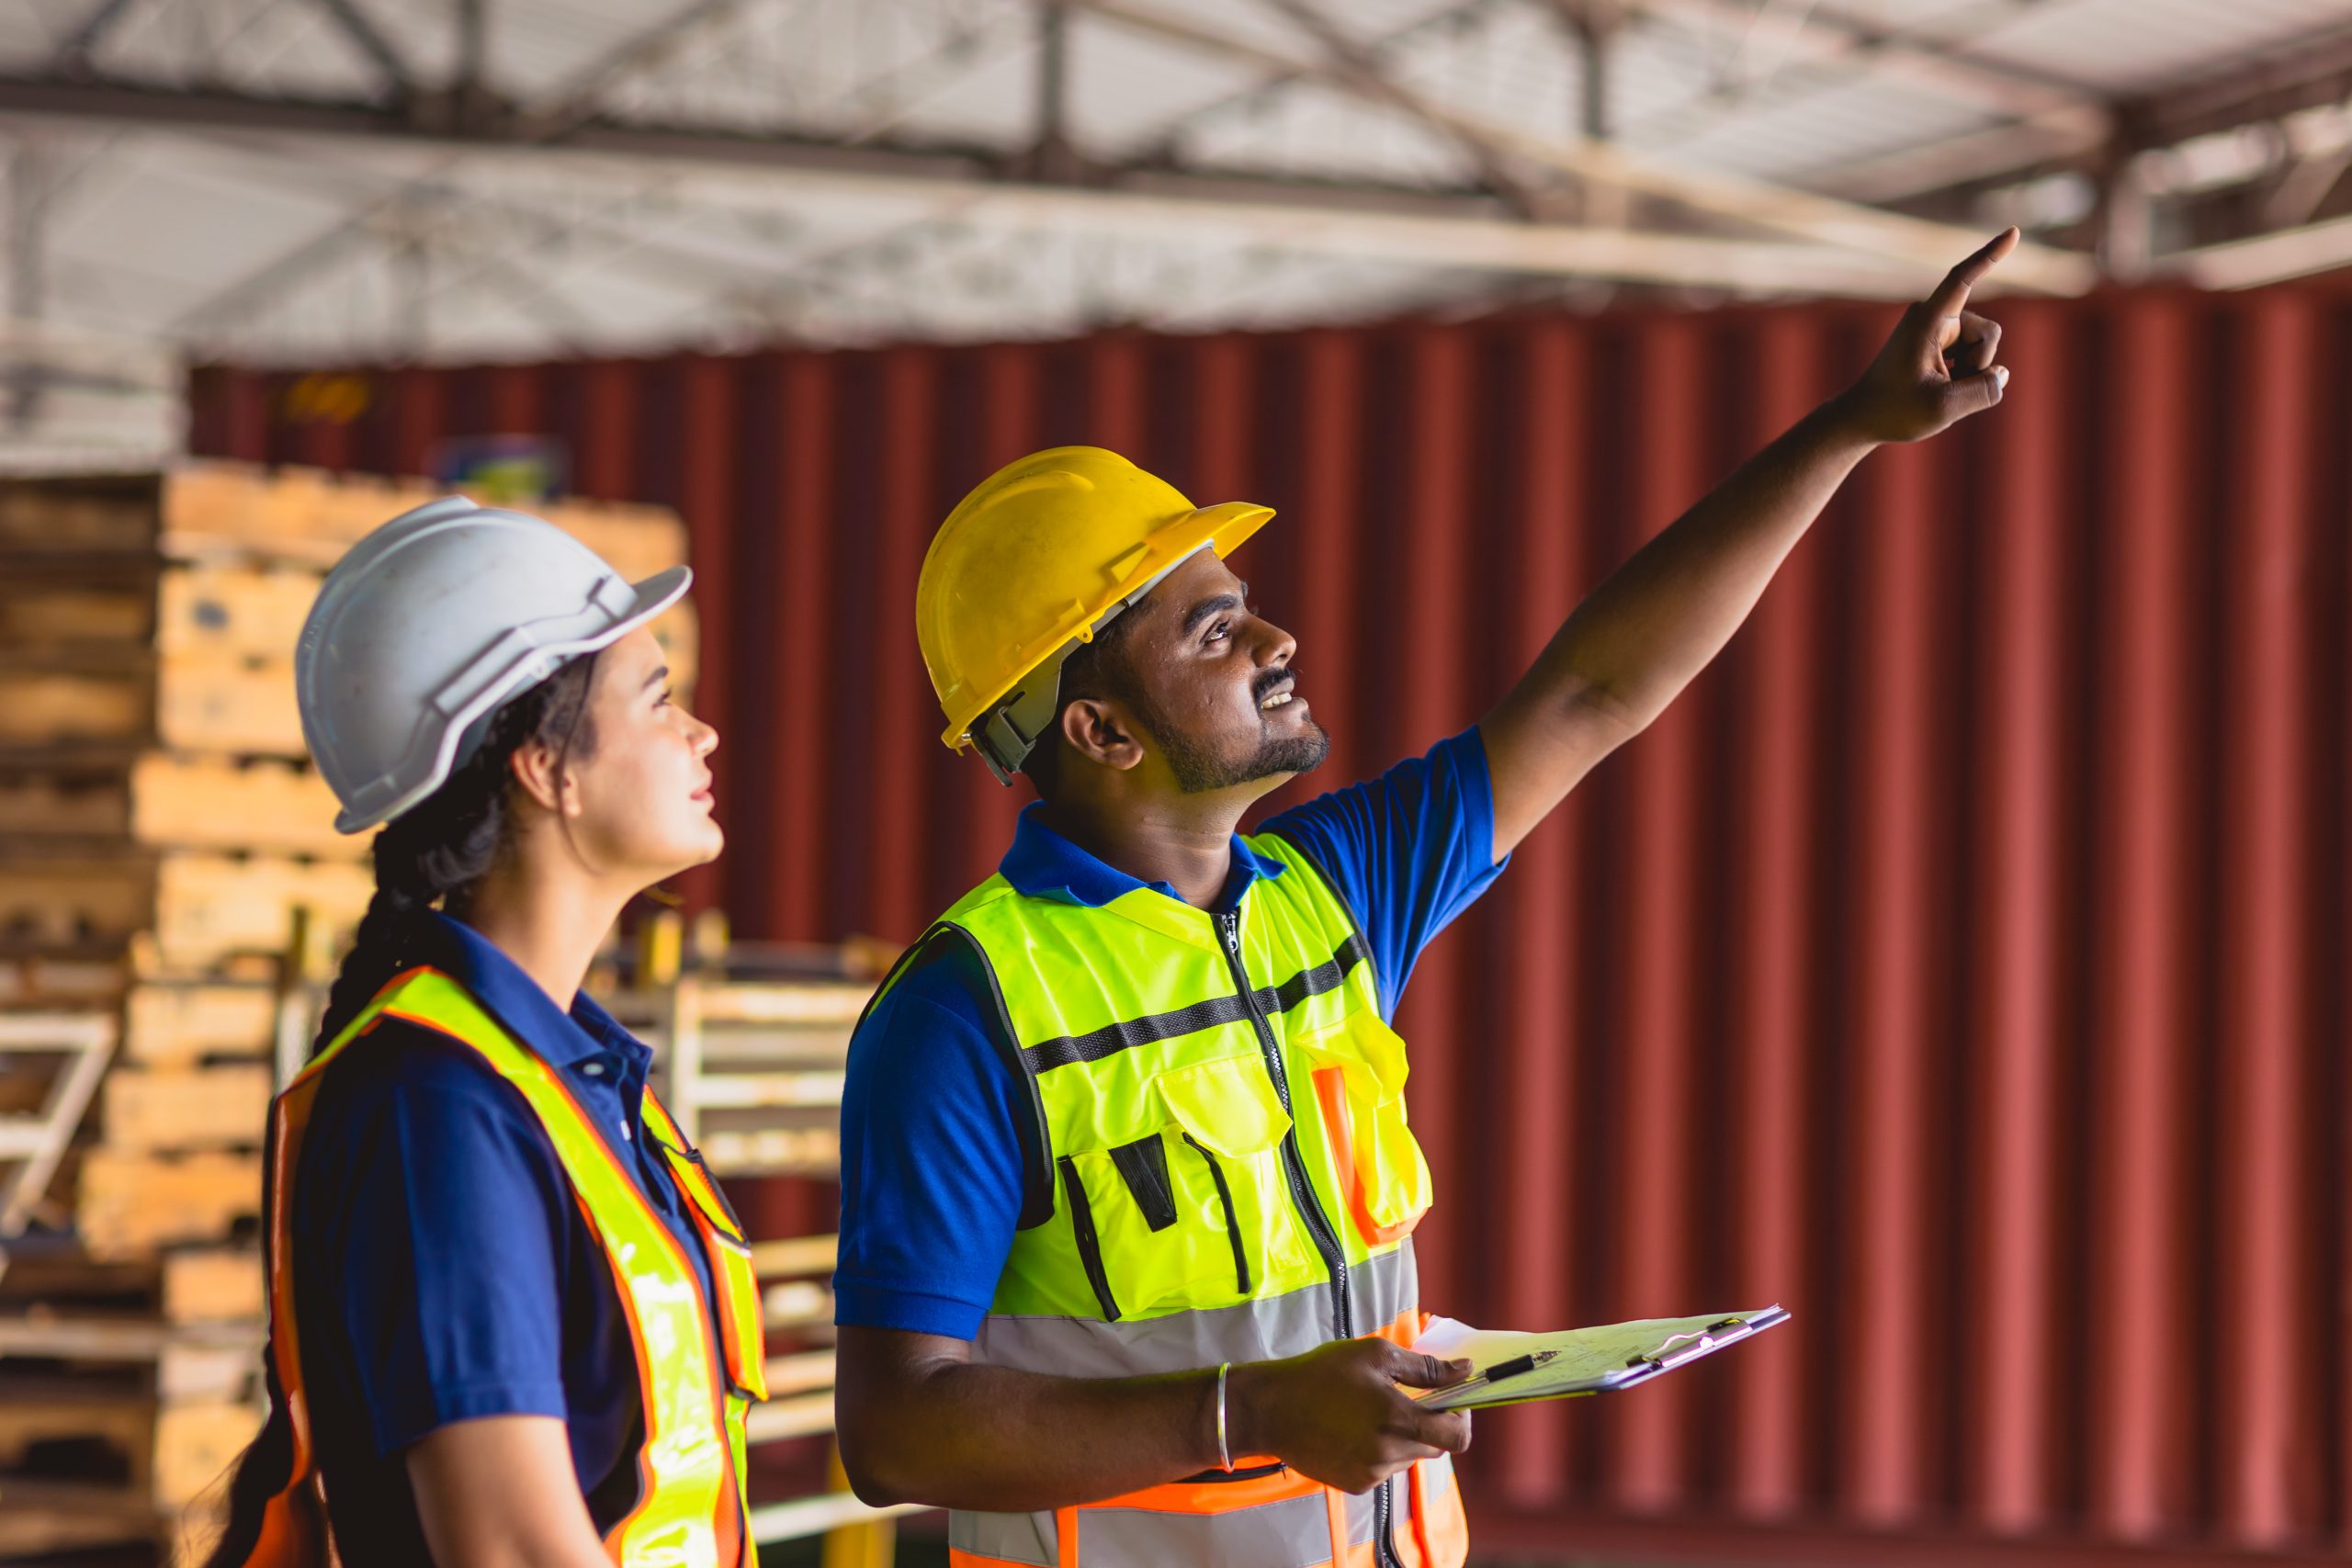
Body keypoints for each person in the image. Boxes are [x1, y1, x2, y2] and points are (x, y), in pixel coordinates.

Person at [831, 231, 2023, 1567]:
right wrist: (1245, 1411)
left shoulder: (1328, 892)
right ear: (1100, 730)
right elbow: (897, 1430)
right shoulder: (968, 1012)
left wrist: (1848, 429)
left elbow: (1589, 696)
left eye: (1246, 607)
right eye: (1214, 632)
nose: (1276, 641)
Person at [201, 498, 762, 1568]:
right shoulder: (439, 1106)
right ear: (544, 766)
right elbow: (508, 1545)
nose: (702, 734)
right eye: (657, 700)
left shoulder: (568, 1079)